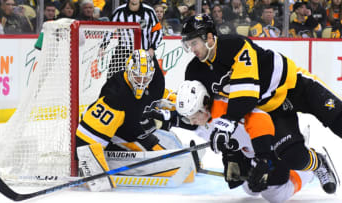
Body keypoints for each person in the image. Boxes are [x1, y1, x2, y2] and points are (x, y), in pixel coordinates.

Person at [180, 13, 339, 194]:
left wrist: (227, 123)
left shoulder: (235, 46)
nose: (191, 49)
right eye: (188, 44)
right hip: (271, 109)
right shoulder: (194, 71)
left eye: (194, 43)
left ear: (209, 38)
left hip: (294, 86)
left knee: (339, 120)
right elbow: (209, 108)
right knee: (295, 157)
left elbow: (247, 94)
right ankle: (319, 162)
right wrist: (230, 152)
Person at [173, 80, 316, 202]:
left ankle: (310, 167)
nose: (191, 122)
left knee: (274, 195)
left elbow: (262, 122)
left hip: (276, 145)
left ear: (204, 105)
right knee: (250, 189)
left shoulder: (229, 113)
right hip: (252, 150)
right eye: (187, 118)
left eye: (192, 116)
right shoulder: (205, 116)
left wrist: (264, 161)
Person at [75, 49, 188, 192]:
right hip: (113, 133)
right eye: (137, 77)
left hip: (133, 128)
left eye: (145, 78)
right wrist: (92, 173)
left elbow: (157, 97)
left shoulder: (155, 81)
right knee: (170, 164)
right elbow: (87, 136)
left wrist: (182, 106)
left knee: (174, 146)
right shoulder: (116, 94)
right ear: (128, 71)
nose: (141, 82)